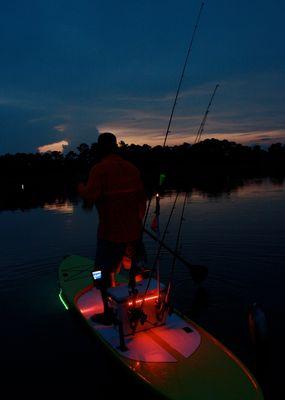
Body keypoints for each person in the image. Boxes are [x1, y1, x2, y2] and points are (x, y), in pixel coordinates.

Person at [78, 132, 147, 325]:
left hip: (109, 235)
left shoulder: (99, 169)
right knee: (136, 268)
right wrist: (137, 222)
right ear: (115, 147)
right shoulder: (132, 169)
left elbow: (89, 198)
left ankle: (108, 313)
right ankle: (139, 304)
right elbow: (142, 200)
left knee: (100, 272)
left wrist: (80, 186)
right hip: (134, 233)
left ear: (101, 149)